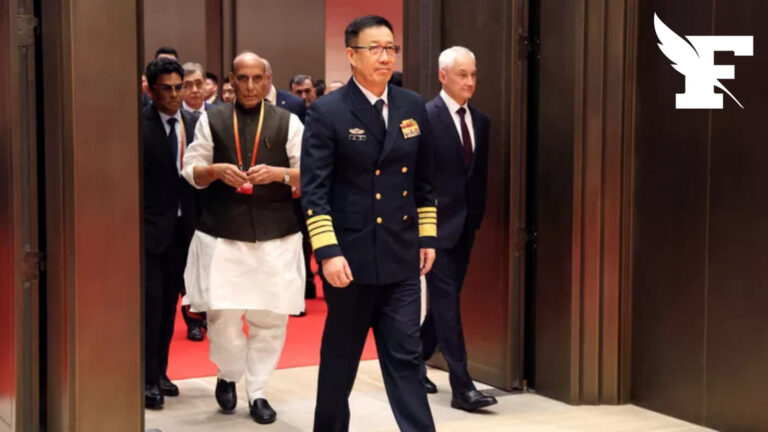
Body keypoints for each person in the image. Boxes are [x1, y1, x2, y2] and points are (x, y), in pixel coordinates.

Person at [301, 15, 437, 432]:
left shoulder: (412, 105)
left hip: (400, 255)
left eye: (390, 48)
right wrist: (328, 252)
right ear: (351, 55)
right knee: (340, 361)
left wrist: (427, 237)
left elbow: (424, 180)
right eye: (374, 48)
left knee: (406, 358)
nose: (384, 56)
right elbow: (315, 191)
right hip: (351, 260)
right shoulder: (328, 112)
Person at [181, 51, 305, 425]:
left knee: (271, 320)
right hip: (223, 234)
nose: (250, 86)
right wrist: (215, 171)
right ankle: (228, 372)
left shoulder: (289, 121)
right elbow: (191, 170)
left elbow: (312, 173)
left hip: (276, 235)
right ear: (231, 81)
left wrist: (281, 175)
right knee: (223, 318)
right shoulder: (212, 119)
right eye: (242, 78)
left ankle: (258, 391)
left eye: (256, 78)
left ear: (267, 80)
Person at [421, 46, 497, 412]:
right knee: (447, 303)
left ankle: (411, 360)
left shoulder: (481, 120)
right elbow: (417, 174)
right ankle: (462, 387)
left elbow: (476, 175)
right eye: (462, 74)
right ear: (443, 76)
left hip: (466, 226)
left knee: (443, 305)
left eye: (473, 75)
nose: (469, 82)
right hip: (434, 228)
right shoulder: (425, 116)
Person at [142, 57, 200, 409]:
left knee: (169, 308)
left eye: (180, 87)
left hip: (184, 231)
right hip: (149, 233)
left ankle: (161, 373)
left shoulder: (195, 124)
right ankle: (146, 378)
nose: (176, 94)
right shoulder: (139, 125)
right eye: (167, 88)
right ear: (152, 90)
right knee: (150, 307)